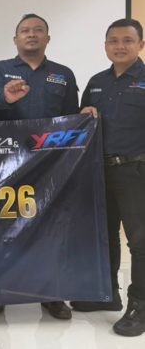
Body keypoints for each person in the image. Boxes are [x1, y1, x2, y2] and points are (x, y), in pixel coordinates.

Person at [0, 13, 79, 319]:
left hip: (51, 164)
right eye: (25, 30)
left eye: (38, 30)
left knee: (49, 229)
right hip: (7, 163)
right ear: (16, 39)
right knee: (2, 226)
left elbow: (73, 118)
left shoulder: (63, 74)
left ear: (47, 38)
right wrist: (6, 97)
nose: (32, 34)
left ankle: (51, 294)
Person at [74, 18, 145, 337]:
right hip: (100, 169)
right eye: (113, 41)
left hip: (136, 171)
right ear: (105, 46)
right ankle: (107, 294)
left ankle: (139, 306)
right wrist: (84, 115)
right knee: (105, 235)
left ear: (140, 45)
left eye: (127, 40)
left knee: (140, 242)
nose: (120, 46)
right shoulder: (96, 82)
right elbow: (83, 120)